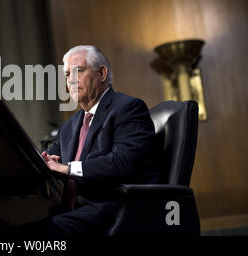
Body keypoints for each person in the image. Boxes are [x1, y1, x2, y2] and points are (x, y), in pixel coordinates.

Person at [16, 45, 162, 238]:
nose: (71, 80)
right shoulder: (71, 125)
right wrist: (46, 160)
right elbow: (51, 159)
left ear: (102, 73)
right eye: (67, 75)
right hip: (71, 210)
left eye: (79, 71)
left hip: (111, 209)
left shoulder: (128, 109)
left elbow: (122, 163)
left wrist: (68, 168)